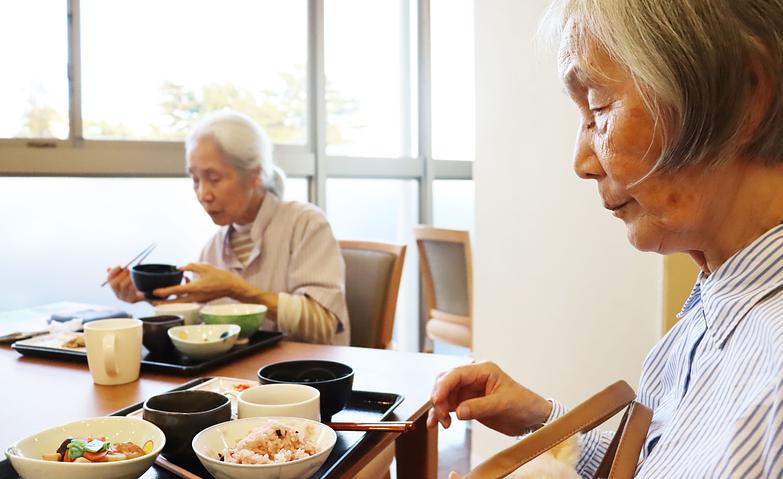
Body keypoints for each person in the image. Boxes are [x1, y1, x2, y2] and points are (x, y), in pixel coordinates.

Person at [430, 0, 783, 477]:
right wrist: (544, 421)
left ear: (745, 96)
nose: (582, 161)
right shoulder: (709, 313)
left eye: (598, 107)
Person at [106, 111, 349, 346]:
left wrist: (236, 289)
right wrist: (148, 297)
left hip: (306, 379)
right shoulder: (213, 247)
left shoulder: (306, 224)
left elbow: (323, 324)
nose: (203, 194)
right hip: (237, 380)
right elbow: (202, 332)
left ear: (255, 174)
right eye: (195, 179)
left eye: (214, 178)